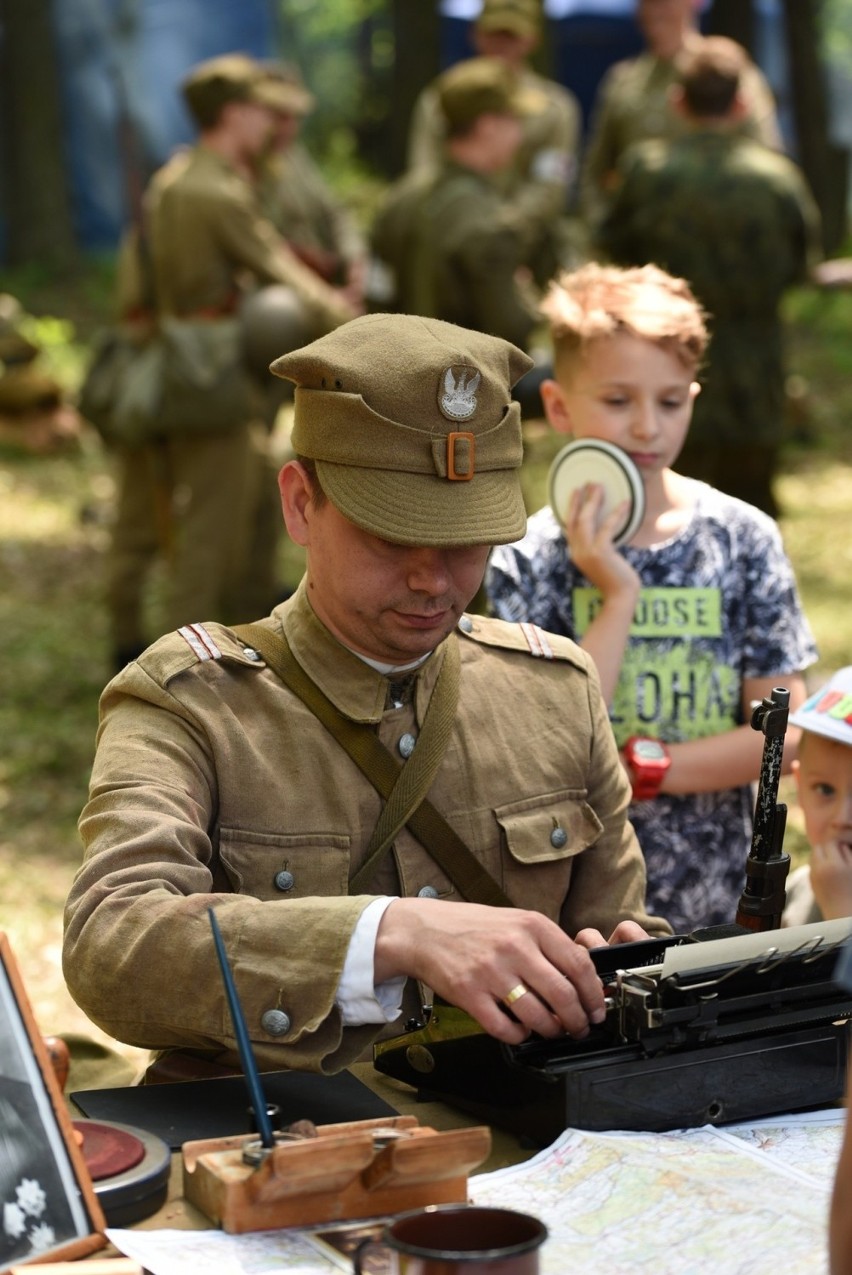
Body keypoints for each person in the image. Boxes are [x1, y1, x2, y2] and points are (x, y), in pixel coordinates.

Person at [63, 312, 669, 1080]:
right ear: (299, 504)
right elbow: (112, 944)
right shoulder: (191, 701)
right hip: (285, 1157)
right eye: (390, 537)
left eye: (463, 542)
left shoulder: (556, 691)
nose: (432, 579)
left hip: (514, 1152)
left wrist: (609, 973)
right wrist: (391, 933)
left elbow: (623, 934)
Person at [485, 263, 816, 935]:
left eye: (670, 402)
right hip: (578, 913)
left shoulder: (741, 538)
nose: (646, 427)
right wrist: (618, 594)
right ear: (557, 407)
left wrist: (653, 766)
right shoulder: (525, 558)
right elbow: (549, 753)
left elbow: (786, 727)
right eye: (617, 400)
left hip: (722, 900)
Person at [104, 53, 358, 671]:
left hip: (165, 363)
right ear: (233, 113)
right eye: (257, 112)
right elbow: (281, 271)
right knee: (214, 532)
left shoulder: (173, 179)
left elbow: (133, 282)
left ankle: (128, 636)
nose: (267, 126)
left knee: (149, 513)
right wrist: (354, 324)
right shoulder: (217, 190)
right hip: (212, 375)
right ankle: (178, 672)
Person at [595, 36, 821, 517]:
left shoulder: (645, 171)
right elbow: (800, 268)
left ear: (678, 101)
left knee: (664, 511)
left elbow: (611, 250)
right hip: (755, 376)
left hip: (667, 373)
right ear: (742, 103)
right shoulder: (778, 179)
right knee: (751, 513)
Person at [369, 56, 541, 351]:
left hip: (396, 374)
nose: (520, 136)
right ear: (487, 126)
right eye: (515, 121)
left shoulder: (398, 200)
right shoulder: (492, 223)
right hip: (466, 387)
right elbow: (512, 332)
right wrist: (529, 300)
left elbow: (374, 296)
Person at [407, 0, 582, 287]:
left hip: (529, 249)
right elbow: (424, 174)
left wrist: (498, 235)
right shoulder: (442, 98)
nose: (502, 45)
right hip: (451, 244)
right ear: (476, 34)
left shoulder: (554, 109)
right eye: (494, 33)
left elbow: (549, 189)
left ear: (531, 39)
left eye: (512, 36)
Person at [579, 0, 782, 232]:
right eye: (646, 2)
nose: (654, 9)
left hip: (716, 236)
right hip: (641, 244)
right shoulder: (623, 81)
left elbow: (766, 158)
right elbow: (595, 172)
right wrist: (601, 231)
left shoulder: (724, 70)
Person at [781, 667, 852, 927]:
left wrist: (842, 915)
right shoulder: (798, 891)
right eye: (825, 789)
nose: (842, 818)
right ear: (800, 788)